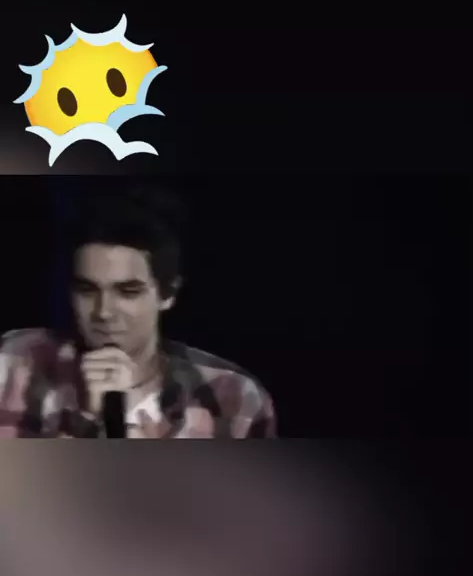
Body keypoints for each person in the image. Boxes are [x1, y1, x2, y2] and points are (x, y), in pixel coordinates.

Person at [0, 183, 276, 438]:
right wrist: (87, 419)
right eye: (87, 290)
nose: (103, 312)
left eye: (128, 292)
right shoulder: (15, 362)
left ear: (168, 294)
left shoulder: (234, 397)